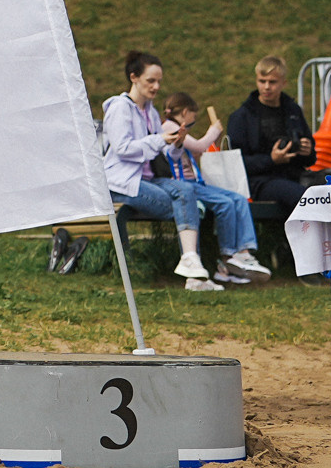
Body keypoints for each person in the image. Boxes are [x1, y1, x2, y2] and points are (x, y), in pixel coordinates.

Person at [102, 51, 276, 291]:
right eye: (150, 80)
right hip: (123, 183)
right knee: (187, 200)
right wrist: (160, 139)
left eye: (159, 81)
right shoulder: (120, 108)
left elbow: (164, 155)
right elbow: (123, 149)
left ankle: (193, 270)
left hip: (151, 180)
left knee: (187, 192)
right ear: (134, 77)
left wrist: (177, 144)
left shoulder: (151, 112)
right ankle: (196, 271)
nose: (156, 86)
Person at [227, 55, 317, 212]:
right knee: (303, 198)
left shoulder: (293, 111)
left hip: (296, 175)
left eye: (272, 82)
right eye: (262, 81)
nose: (266, 87)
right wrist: (272, 160)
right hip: (259, 181)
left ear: (284, 83)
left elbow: (311, 159)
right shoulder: (242, 116)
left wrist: (307, 151)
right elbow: (237, 164)